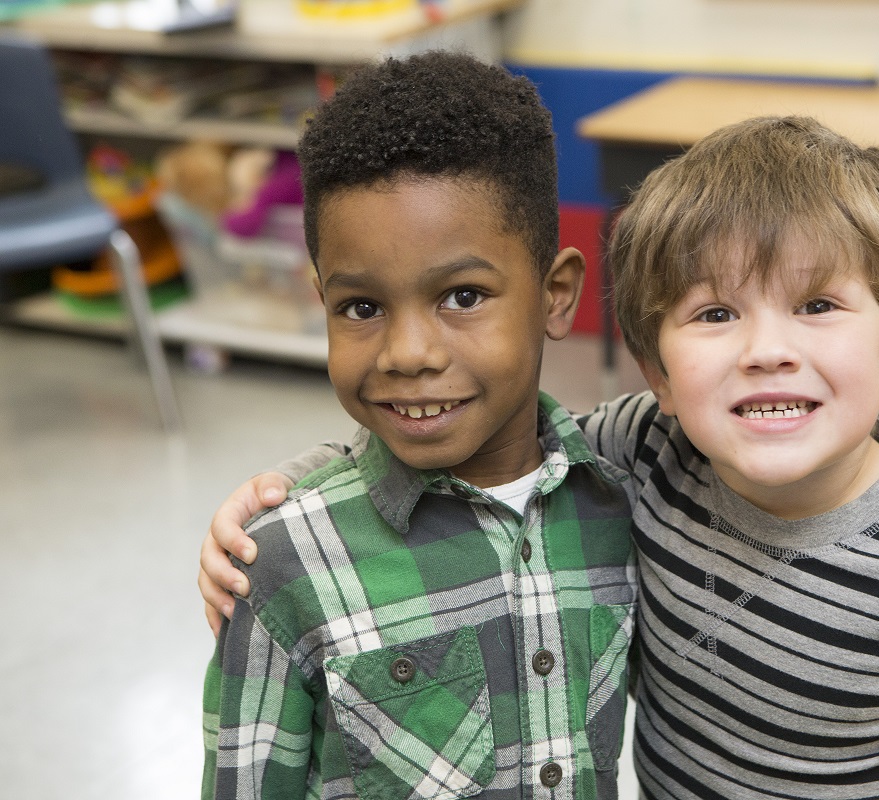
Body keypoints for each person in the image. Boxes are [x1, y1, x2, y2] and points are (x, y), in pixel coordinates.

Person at [201, 115, 879, 799]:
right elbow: (482, 435)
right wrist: (300, 488)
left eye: (818, 304)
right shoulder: (642, 450)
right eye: (714, 314)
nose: (765, 348)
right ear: (658, 371)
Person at [200, 51, 638, 800]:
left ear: (556, 295)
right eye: (362, 308)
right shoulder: (281, 567)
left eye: (463, 296)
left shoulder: (624, 502)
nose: (408, 354)